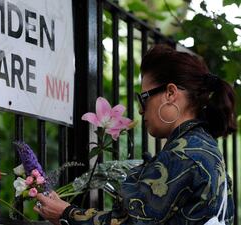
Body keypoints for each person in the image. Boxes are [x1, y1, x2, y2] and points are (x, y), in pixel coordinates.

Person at [33, 44, 236, 225]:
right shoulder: (203, 148)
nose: (141, 110)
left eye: (144, 97)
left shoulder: (182, 155)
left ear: (171, 93)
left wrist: (67, 214)